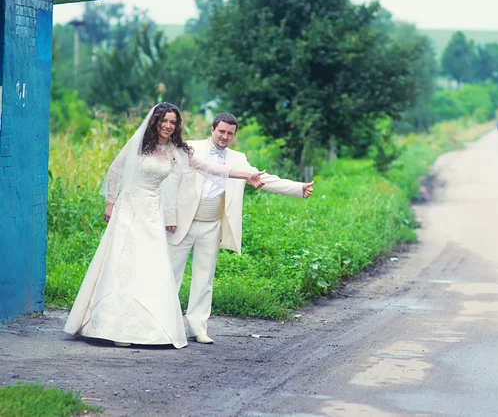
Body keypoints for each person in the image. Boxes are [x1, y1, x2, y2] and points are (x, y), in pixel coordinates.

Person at [64, 103, 265, 348]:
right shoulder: (139, 144)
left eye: (173, 122)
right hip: (128, 209)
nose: (169, 126)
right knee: (123, 264)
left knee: (150, 268)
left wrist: (245, 175)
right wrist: (111, 202)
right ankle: (111, 326)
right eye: (165, 121)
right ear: (155, 121)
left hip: (152, 212)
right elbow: (116, 169)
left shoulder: (178, 151)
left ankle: (144, 327)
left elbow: (209, 167)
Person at [162, 113, 314, 344]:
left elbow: (264, 179)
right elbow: (168, 181)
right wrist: (168, 215)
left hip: (212, 224)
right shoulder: (190, 148)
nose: (225, 137)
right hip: (181, 222)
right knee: (171, 275)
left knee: (205, 279)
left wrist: (297, 187)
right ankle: (164, 325)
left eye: (230, 133)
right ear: (212, 129)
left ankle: (197, 327)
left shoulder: (238, 158)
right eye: (221, 131)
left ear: (234, 135)